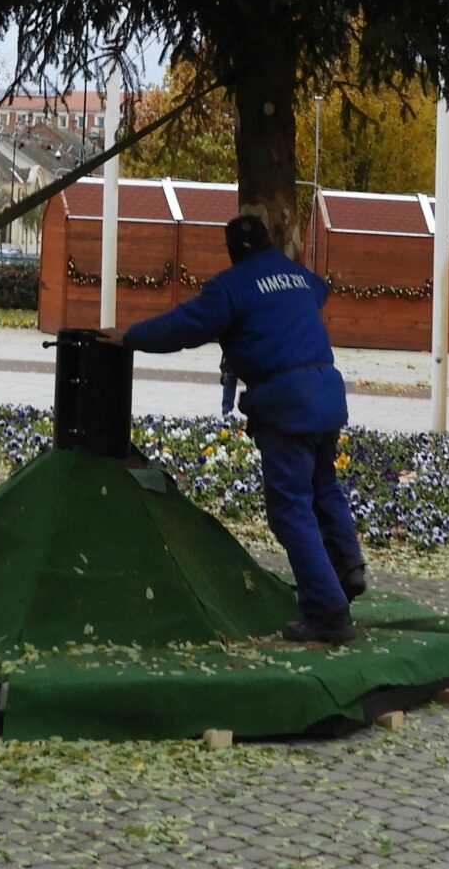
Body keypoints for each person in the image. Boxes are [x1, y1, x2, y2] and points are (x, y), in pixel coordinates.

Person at [106, 214, 368, 645]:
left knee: (291, 509)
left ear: (231, 251)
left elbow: (182, 327)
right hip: (327, 392)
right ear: (269, 242)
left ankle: (329, 613)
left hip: (286, 403)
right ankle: (347, 568)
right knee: (324, 486)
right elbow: (318, 293)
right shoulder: (300, 277)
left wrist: (129, 337)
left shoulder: (230, 287)